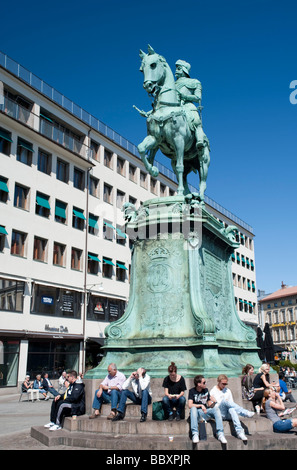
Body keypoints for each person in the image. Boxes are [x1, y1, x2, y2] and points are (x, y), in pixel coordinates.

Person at [210, 374, 254, 442]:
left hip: (228, 413)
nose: (224, 385)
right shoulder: (213, 391)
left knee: (232, 409)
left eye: (226, 384)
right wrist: (216, 402)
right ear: (218, 382)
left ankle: (240, 432)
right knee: (224, 401)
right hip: (219, 413)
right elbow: (211, 406)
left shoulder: (228, 391)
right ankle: (244, 412)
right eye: (223, 383)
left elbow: (232, 404)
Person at [188, 375, 227, 445]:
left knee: (216, 409)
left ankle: (220, 434)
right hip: (196, 414)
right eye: (204, 382)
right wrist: (201, 405)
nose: (205, 384)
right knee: (193, 408)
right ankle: (195, 434)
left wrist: (214, 402)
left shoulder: (206, 390)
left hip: (204, 412)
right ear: (199, 384)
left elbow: (209, 405)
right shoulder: (192, 391)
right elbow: (190, 405)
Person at [175, 60, 205, 150]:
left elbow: (198, 97)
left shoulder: (194, 82)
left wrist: (185, 96)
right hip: (175, 106)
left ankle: (200, 141)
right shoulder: (172, 84)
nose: (176, 70)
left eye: (178, 68)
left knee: (196, 122)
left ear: (184, 70)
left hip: (188, 105)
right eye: (176, 68)